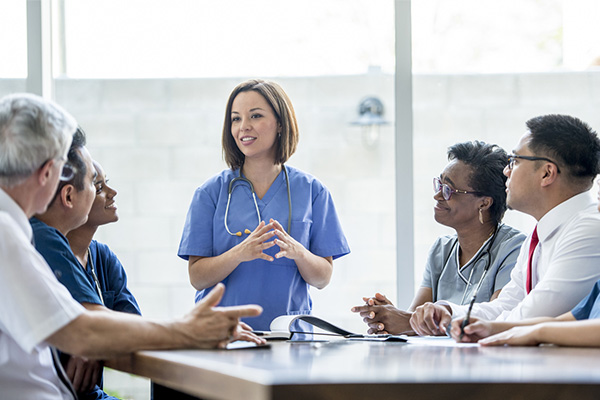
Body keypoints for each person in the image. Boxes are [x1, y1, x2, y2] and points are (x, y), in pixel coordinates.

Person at [0, 93, 264, 400]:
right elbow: (81, 331)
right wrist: (191, 330)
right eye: (64, 170)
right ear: (48, 173)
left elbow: (81, 326)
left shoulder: (21, 233)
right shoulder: (8, 235)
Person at [178, 79, 350, 330]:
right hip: (223, 335)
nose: (243, 127)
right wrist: (240, 253)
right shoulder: (210, 193)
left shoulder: (313, 191)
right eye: (235, 119)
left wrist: (298, 252)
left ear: (280, 123)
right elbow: (197, 277)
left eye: (255, 116)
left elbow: (322, 278)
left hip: (289, 336)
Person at [410, 114, 600, 336]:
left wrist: (469, 325)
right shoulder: (539, 235)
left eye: (516, 161)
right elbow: (507, 304)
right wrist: (450, 312)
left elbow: (533, 315)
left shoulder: (589, 230)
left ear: (547, 173)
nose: (506, 171)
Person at [351, 141, 525, 335]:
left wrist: (404, 321)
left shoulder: (514, 249)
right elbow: (414, 321)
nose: (437, 195)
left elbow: (499, 318)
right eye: (439, 184)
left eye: (448, 190)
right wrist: (388, 318)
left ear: (483, 203)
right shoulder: (442, 249)